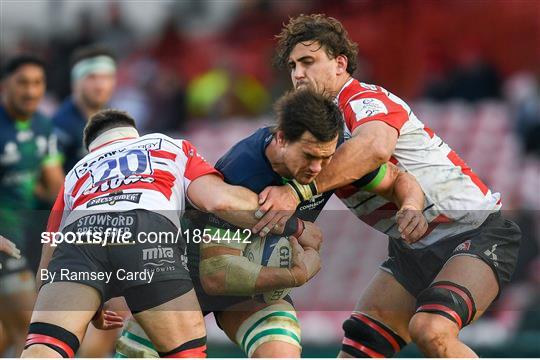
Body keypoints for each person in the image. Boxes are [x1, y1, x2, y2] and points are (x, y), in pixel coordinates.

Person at [253, 14, 522, 358]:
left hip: (473, 231)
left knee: (432, 330)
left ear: (340, 63)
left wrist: (297, 192)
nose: (298, 74)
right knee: (358, 349)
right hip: (412, 250)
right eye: (292, 66)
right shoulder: (316, 130)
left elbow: (374, 148)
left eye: (308, 61)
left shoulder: (361, 99)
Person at [114, 90, 426, 357]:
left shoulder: (329, 159)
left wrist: (411, 206)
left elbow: (398, 179)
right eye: (308, 156)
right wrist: (296, 273)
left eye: (326, 158)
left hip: (248, 289)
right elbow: (216, 276)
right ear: (280, 139)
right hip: (184, 283)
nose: (318, 169)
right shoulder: (244, 172)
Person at [22, 108, 319, 358]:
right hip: (145, 233)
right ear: (133, 134)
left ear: (93, 147)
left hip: (81, 236)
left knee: (44, 347)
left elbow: (47, 266)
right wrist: (294, 225)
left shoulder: (76, 173)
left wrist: (88, 300)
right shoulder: (168, 146)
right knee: (184, 352)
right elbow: (220, 201)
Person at [0, 55, 64, 355]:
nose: (31, 91)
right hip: (5, 242)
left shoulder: (43, 126)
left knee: (7, 336)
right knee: (28, 331)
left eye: (37, 83)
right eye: (23, 83)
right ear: (5, 86)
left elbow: (55, 186)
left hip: (24, 241)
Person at [53, 45, 117, 173]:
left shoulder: (116, 121)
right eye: (91, 77)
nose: (100, 86)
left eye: (106, 77)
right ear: (76, 82)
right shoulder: (60, 125)